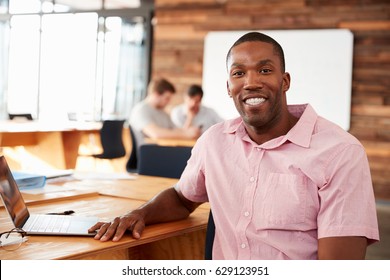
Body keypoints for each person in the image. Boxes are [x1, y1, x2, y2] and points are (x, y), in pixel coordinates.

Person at [90, 32, 379, 259]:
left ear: (285, 81)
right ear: (228, 87)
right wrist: (137, 214)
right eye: (238, 73)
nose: (251, 82)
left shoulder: (340, 152)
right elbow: (182, 198)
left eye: (265, 70)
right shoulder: (214, 141)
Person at [129, 78, 201, 145]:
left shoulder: (162, 113)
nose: (169, 102)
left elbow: (176, 131)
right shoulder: (141, 110)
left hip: (161, 149)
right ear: (156, 94)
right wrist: (186, 134)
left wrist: (190, 121)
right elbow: (155, 133)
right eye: (167, 98)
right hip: (147, 152)